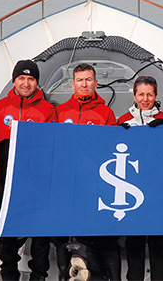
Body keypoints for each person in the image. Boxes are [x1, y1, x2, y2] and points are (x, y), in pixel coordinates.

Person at [0, 59, 58, 281]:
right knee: (8, 240)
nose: (26, 83)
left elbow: (52, 149)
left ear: (37, 82)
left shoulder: (47, 110)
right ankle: (9, 276)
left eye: (31, 79)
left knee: (40, 240)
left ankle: (39, 276)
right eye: (22, 78)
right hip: (7, 187)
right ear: (14, 80)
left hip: (37, 186)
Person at [56, 63, 120, 280]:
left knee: (104, 238)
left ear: (96, 82)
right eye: (80, 80)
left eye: (88, 79)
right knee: (67, 239)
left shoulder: (106, 113)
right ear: (72, 84)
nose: (84, 84)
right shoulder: (60, 112)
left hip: (98, 187)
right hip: (69, 188)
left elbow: (112, 152)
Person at [117, 75, 163, 281]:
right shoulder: (123, 120)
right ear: (134, 95)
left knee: (158, 240)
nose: (145, 99)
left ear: (156, 95)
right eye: (141, 94)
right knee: (134, 240)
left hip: (158, 187)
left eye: (150, 94)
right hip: (133, 187)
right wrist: (118, 134)